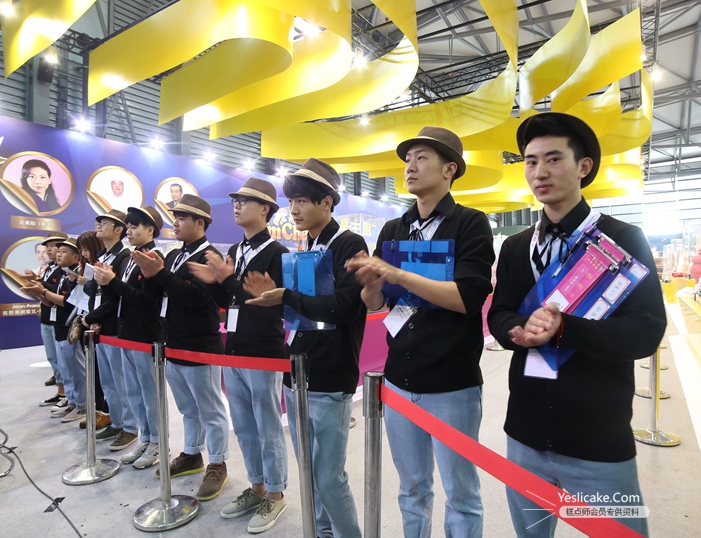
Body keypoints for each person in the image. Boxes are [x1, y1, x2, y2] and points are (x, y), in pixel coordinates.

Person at [487, 112, 666, 537]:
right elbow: (499, 314)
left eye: (553, 159)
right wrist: (518, 329)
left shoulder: (622, 240)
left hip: (597, 438)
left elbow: (646, 329)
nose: (539, 172)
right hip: (525, 433)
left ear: (584, 166)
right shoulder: (516, 247)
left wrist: (565, 329)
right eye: (531, 162)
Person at [347, 126, 494, 538]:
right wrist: (370, 288)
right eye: (408, 159)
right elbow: (379, 305)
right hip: (398, 381)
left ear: (450, 170)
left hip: (452, 384)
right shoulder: (394, 230)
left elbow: (468, 297)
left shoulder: (470, 224)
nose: (410, 166)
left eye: (422, 157)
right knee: (411, 489)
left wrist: (399, 275)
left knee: (461, 494)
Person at [244, 159, 366, 538]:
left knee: (329, 477)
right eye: (291, 201)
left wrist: (286, 296)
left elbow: (344, 307)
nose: (293, 210)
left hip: (330, 375)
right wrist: (279, 299)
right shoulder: (307, 246)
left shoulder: (348, 244)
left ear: (327, 202)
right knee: (310, 472)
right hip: (296, 372)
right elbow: (304, 311)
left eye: (301, 201)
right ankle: (323, 532)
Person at [189, 178, 289, 533]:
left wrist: (226, 279)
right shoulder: (235, 249)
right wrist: (215, 283)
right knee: (244, 426)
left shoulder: (278, 253)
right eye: (235, 200)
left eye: (245, 201)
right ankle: (256, 486)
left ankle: (275, 493)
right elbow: (231, 302)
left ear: (265, 209)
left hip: (263, 352)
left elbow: (265, 304)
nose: (236, 205)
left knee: (267, 426)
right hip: (233, 348)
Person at [132, 194, 230, 500]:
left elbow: (196, 298)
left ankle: (218, 463)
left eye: (181, 218)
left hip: (199, 346)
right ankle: (191, 453)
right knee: (188, 408)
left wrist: (160, 274)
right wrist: (151, 276)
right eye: (174, 217)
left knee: (211, 410)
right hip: (172, 342)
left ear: (200, 223)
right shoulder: (175, 254)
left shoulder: (210, 256)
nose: (174, 223)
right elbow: (156, 296)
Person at [93, 206, 165, 470]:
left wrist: (112, 282)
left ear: (150, 230)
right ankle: (145, 438)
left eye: (135, 227)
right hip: (126, 335)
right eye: (129, 226)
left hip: (146, 337)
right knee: (135, 392)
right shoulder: (130, 259)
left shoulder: (153, 258)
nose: (130, 231)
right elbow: (118, 297)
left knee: (150, 394)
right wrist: (105, 282)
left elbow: (146, 300)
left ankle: (158, 442)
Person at [82, 210, 137, 451]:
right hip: (100, 327)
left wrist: (93, 317)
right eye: (99, 222)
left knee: (121, 382)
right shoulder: (103, 256)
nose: (99, 225)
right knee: (108, 381)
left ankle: (130, 427)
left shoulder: (123, 257)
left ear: (118, 230)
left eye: (105, 223)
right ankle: (116, 421)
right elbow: (92, 290)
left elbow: (116, 298)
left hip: (114, 327)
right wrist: (92, 318)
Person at [22, 237, 86, 423]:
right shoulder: (64, 274)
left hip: (69, 326)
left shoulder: (77, 275)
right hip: (57, 324)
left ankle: (82, 404)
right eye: (58, 251)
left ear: (76, 256)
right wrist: (39, 293)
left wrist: (42, 291)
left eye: (63, 252)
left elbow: (67, 302)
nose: (58, 254)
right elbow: (51, 301)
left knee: (75, 369)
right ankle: (72, 401)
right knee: (65, 367)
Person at [74, 230, 109, 431]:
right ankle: (97, 410)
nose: (84, 254)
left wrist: (94, 318)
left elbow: (108, 297)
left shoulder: (105, 265)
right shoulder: (89, 267)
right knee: (95, 372)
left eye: (86, 249)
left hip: (101, 325)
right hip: (88, 321)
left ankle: (107, 414)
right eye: (81, 250)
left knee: (107, 377)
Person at [34, 232, 69, 401]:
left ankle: (68, 395)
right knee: (53, 357)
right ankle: (62, 393)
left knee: (64, 360)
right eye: (47, 246)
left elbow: (59, 294)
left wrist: (41, 287)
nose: (49, 249)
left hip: (59, 320)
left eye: (53, 246)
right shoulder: (50, 268)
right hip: (47, 316)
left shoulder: (65, 270)